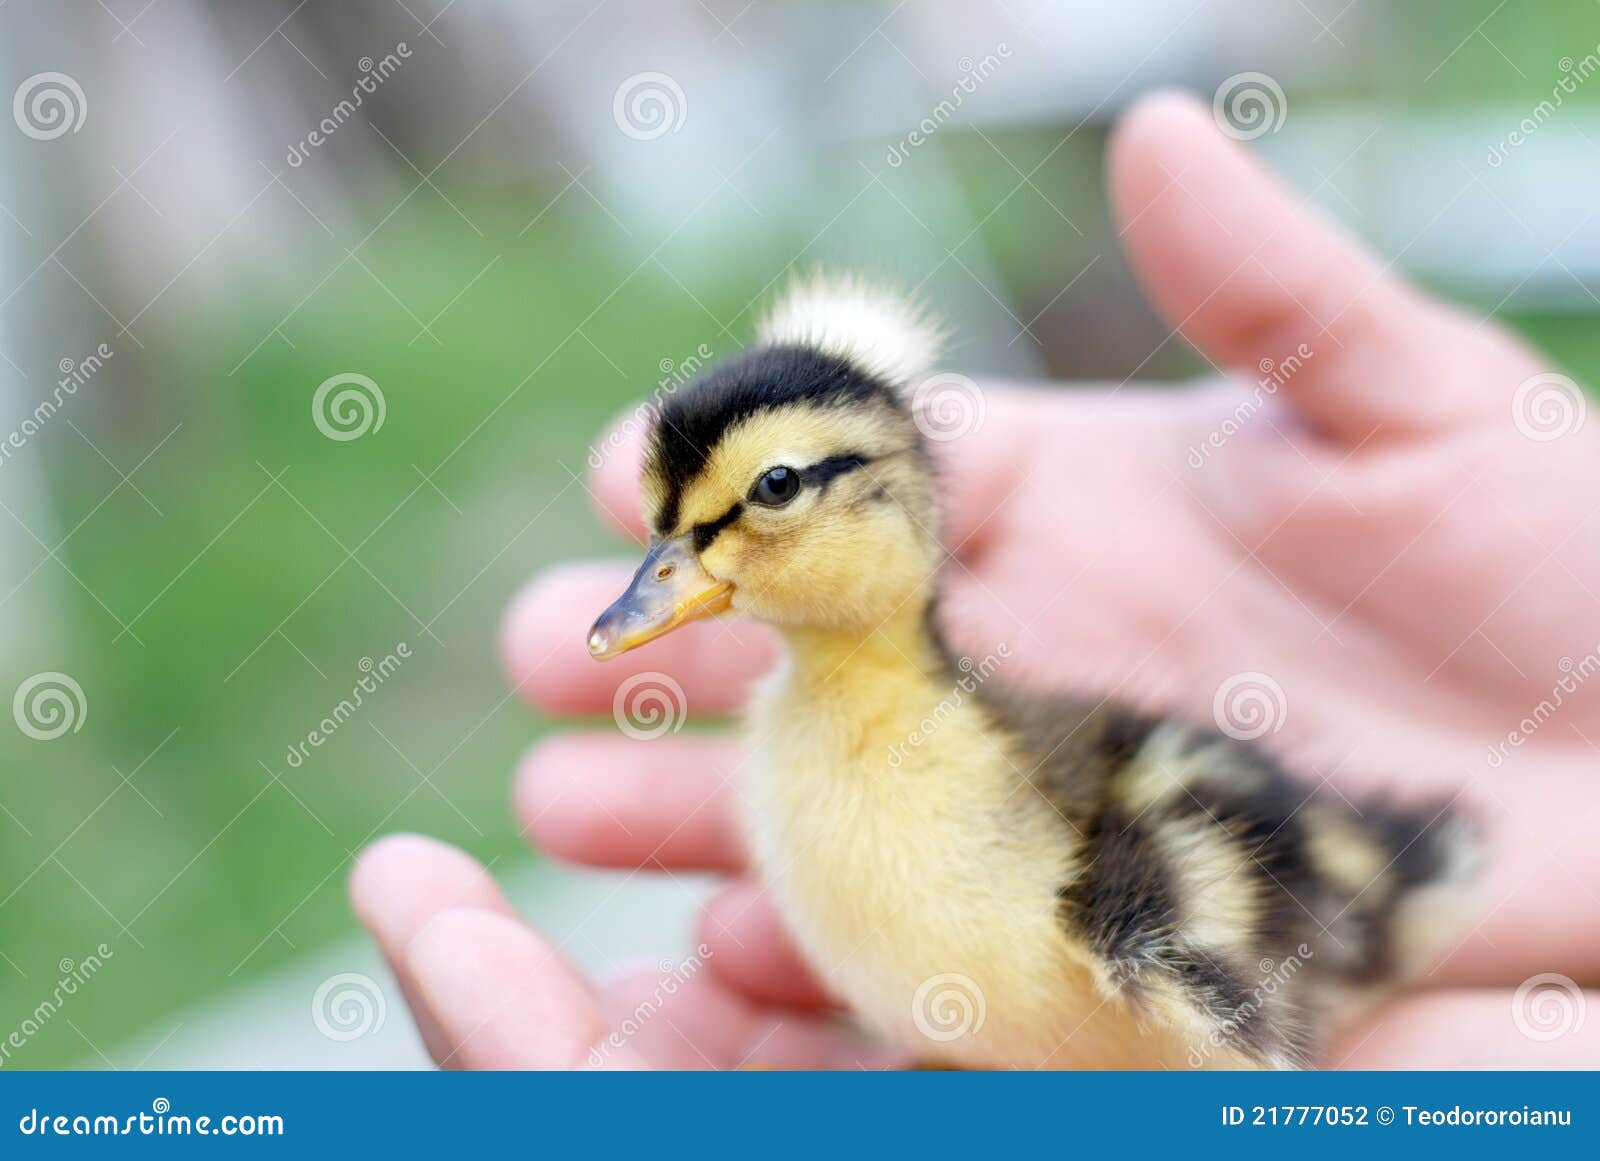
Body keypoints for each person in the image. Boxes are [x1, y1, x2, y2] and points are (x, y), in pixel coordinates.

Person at [349, 92, 1600, 1068]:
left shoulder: (1045, 837)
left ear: (888, 498)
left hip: (1330, 902)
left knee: (1135, 920)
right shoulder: (825, 753)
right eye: (678, 537)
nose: (676, 573)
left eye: (768, 496)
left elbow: (1209, 958)